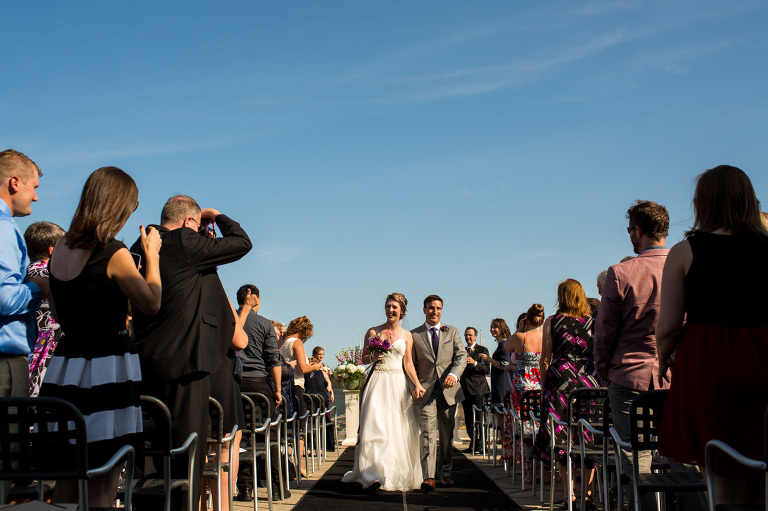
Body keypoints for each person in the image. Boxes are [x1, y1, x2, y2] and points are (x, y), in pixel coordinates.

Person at [41, 166, 162, 507]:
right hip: (107, 364)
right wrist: (151, 258)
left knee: (69, 469)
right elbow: (151, 303)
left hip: (66, 364)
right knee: (106, 469)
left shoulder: (60, 248)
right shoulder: (114, 252)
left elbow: (60, 311)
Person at [130, 195, 252, 511]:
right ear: (188, 222)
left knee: (151, 460)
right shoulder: (184, 239)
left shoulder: (139, 244)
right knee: (188, 457)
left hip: (144, 362)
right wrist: (217, 215)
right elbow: (241, 243)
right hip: (186, 365)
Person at [657, 165, 768, 506]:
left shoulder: (685, 251)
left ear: (703, 203)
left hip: (708, 361)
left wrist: (663, 360)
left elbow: (669, 325)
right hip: (763, 355)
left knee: (720, 466)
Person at [593, 200, 670, 510]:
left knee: (634, 455)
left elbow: (605, 331)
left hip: (628, 375)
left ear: (637, 231)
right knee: (682, 454)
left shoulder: (621, 273)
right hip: (676, 375)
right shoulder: (686, 266)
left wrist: (603, 370)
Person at [342, 293, 425, 492]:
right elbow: (363, 359)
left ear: (402, 311)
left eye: (394, 307)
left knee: (395, 428)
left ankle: (391, 471)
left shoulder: (407, 336)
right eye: (388, 306)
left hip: (397, 383)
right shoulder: (373, 332)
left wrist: (417, 384)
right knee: (375, 426)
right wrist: (374, 356)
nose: (390, 310)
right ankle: (373, 475)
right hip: (378, 382)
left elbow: (408, 364)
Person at [533, 279, 601, 509]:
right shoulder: (592, 322)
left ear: (561, 297)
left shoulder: (552, 321)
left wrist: (545, 386)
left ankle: (569, 495)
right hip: (588, 381)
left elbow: (545, 358)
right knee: (588, 437)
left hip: (560, 381)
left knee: (562, 438)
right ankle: (588, 494)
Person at [233, 284, 286, 501]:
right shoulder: (264, 324)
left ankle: (244, 488)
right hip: (258, 383)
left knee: (240, 437)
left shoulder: (230, 318)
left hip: (234, 382)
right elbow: (273, 359)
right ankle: (276, 486)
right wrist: (278, 390)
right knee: (269, 436)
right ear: (256, 298)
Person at [410, 294, 467, 491]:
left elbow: (461, 356)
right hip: (425, 391)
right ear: (424, 310)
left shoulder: (452, 332)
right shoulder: (414, 335)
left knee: (447, 434)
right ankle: (428, 476)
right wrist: (414, 385)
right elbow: (409, 364)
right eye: (431, 308)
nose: (435, 311)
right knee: (426, 433)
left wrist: (454, 374)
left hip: (449, 391)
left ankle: (446, 472)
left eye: (438, 308)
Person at [0, 150, 45, 400]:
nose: (36, 197)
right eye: (34, 187)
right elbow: (5, 298)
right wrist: (37, 288)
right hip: (4, 363)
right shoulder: (4, 228)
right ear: (15, 182)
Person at [502, 304, 544, 484]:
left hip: (522, 387)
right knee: (542, 428)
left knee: (523, 429)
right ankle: (546, 471)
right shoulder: (547, 338)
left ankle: (528, 472)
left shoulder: (521, 337)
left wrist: (520, 329)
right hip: (541, 384)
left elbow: (507, 347)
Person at [23, 221, 65, 397]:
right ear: (53, 250)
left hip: (26, 360)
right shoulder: (54, 277)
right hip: (50, 362)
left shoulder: (24, 275)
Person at [279, 316, 323, 478]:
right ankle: (300, 464)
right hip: (296, 387)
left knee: (285, 427)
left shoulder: (281, 343)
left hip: (282, 388)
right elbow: (303, 368)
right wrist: (316, 366)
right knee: (300, 427)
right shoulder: (296, 343)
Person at [477, 317, 517, 456]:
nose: (492, 329)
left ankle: (506, 454)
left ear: (502, 328)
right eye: (491, 326)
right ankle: (506, 453)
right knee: (501, 419)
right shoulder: (503, 344)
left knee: (503, 420)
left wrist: (489, 359)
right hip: (499, 383)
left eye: (495, 327)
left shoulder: (504, 345)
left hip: (503, 384)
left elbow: (504, 364)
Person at [459, 326, 490, 454]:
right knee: (468, 419)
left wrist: (475, 363)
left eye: (470, 335)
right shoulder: (461, 350)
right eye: (466, 335)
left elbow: (487, 369)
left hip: (479, 390)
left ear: (476, 336)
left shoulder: (482, 350)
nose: (468, 337)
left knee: (480, 418)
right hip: (465, 390)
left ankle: (482, 445)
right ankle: (473, 443)